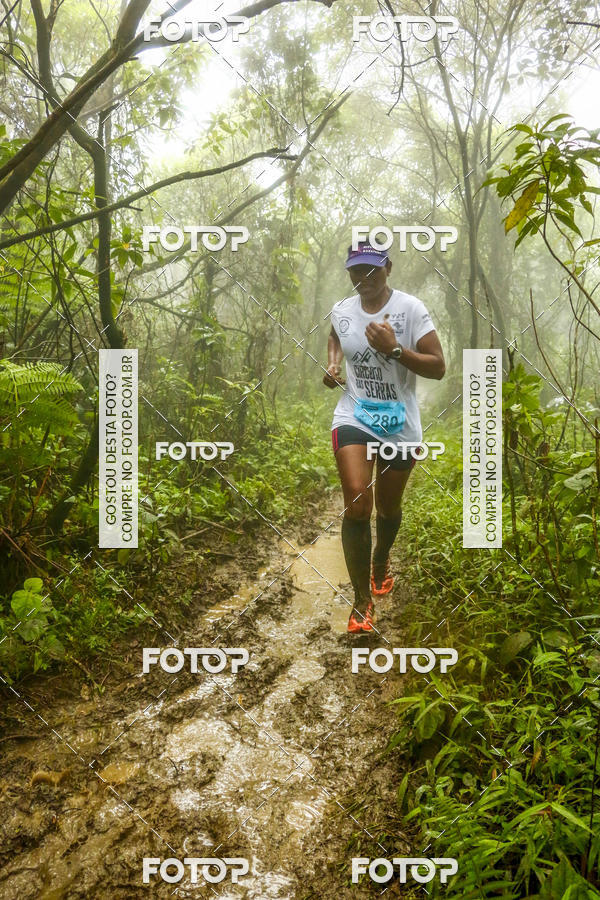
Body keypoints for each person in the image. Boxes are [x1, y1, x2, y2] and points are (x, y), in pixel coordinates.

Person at [323, 240, 446, 633]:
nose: (363, 279)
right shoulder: (343, 310)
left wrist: (395, 350)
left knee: (388, 510)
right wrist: (333, 363)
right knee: (358, 504)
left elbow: (438, 367)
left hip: (399, 423)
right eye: (355, 271)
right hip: (354, 414)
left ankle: (380, 560)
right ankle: (361, 603)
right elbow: (335, 334)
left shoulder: (411, 309)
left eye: (371, 270)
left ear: (388, 268)